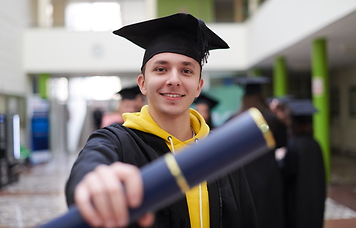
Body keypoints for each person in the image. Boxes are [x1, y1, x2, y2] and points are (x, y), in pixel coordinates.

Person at [65, 13, 258, 228]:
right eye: (161, 69)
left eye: (186, 70)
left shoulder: (221, 151)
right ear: (143, 84)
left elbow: (246, 218)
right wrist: (92, 180)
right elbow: (92, 162)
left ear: (198, 86)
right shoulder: (118, 141)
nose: (174, 80)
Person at [227, 76, 288, 228]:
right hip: (268, 175)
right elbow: (282, 144)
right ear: (261, 97)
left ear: (243, 97)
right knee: (269, 215)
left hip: (243, 176)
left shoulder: (233, 121)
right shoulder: (272, 120)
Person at [281, 99, 326, 228]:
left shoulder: (293, 145)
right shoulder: (316, 144)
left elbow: (287, 172)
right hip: (315, 198)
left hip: (298, 201)